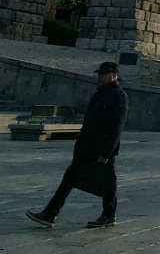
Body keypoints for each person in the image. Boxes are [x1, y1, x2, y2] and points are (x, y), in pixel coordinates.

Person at [26, 60, 129, 229]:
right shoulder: (100, 94)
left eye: (102, 75)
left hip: (101, 148)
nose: (99, 77)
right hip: (87, 146)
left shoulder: (118, 96)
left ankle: (108, 215)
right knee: (70, 178)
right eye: (99, 74)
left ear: (113, 76)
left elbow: (116, 127)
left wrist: (106, 152)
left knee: (108, 182)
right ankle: (50, 214)